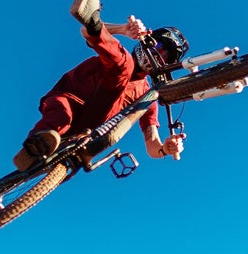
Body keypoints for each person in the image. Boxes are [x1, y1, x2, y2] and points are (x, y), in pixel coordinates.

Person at [13, 0, 189, 171]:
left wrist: (166, 148)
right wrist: (122, 29)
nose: (159, 54)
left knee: (149, 95)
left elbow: (152, 145)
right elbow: (86, 31)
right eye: (158, 45)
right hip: (68, 101)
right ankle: (35, 148)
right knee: (61, 116)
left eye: (166, 56)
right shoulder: (119, 57)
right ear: (149, 40)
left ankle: (57, 152)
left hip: (89, 131)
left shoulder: (146, 97)